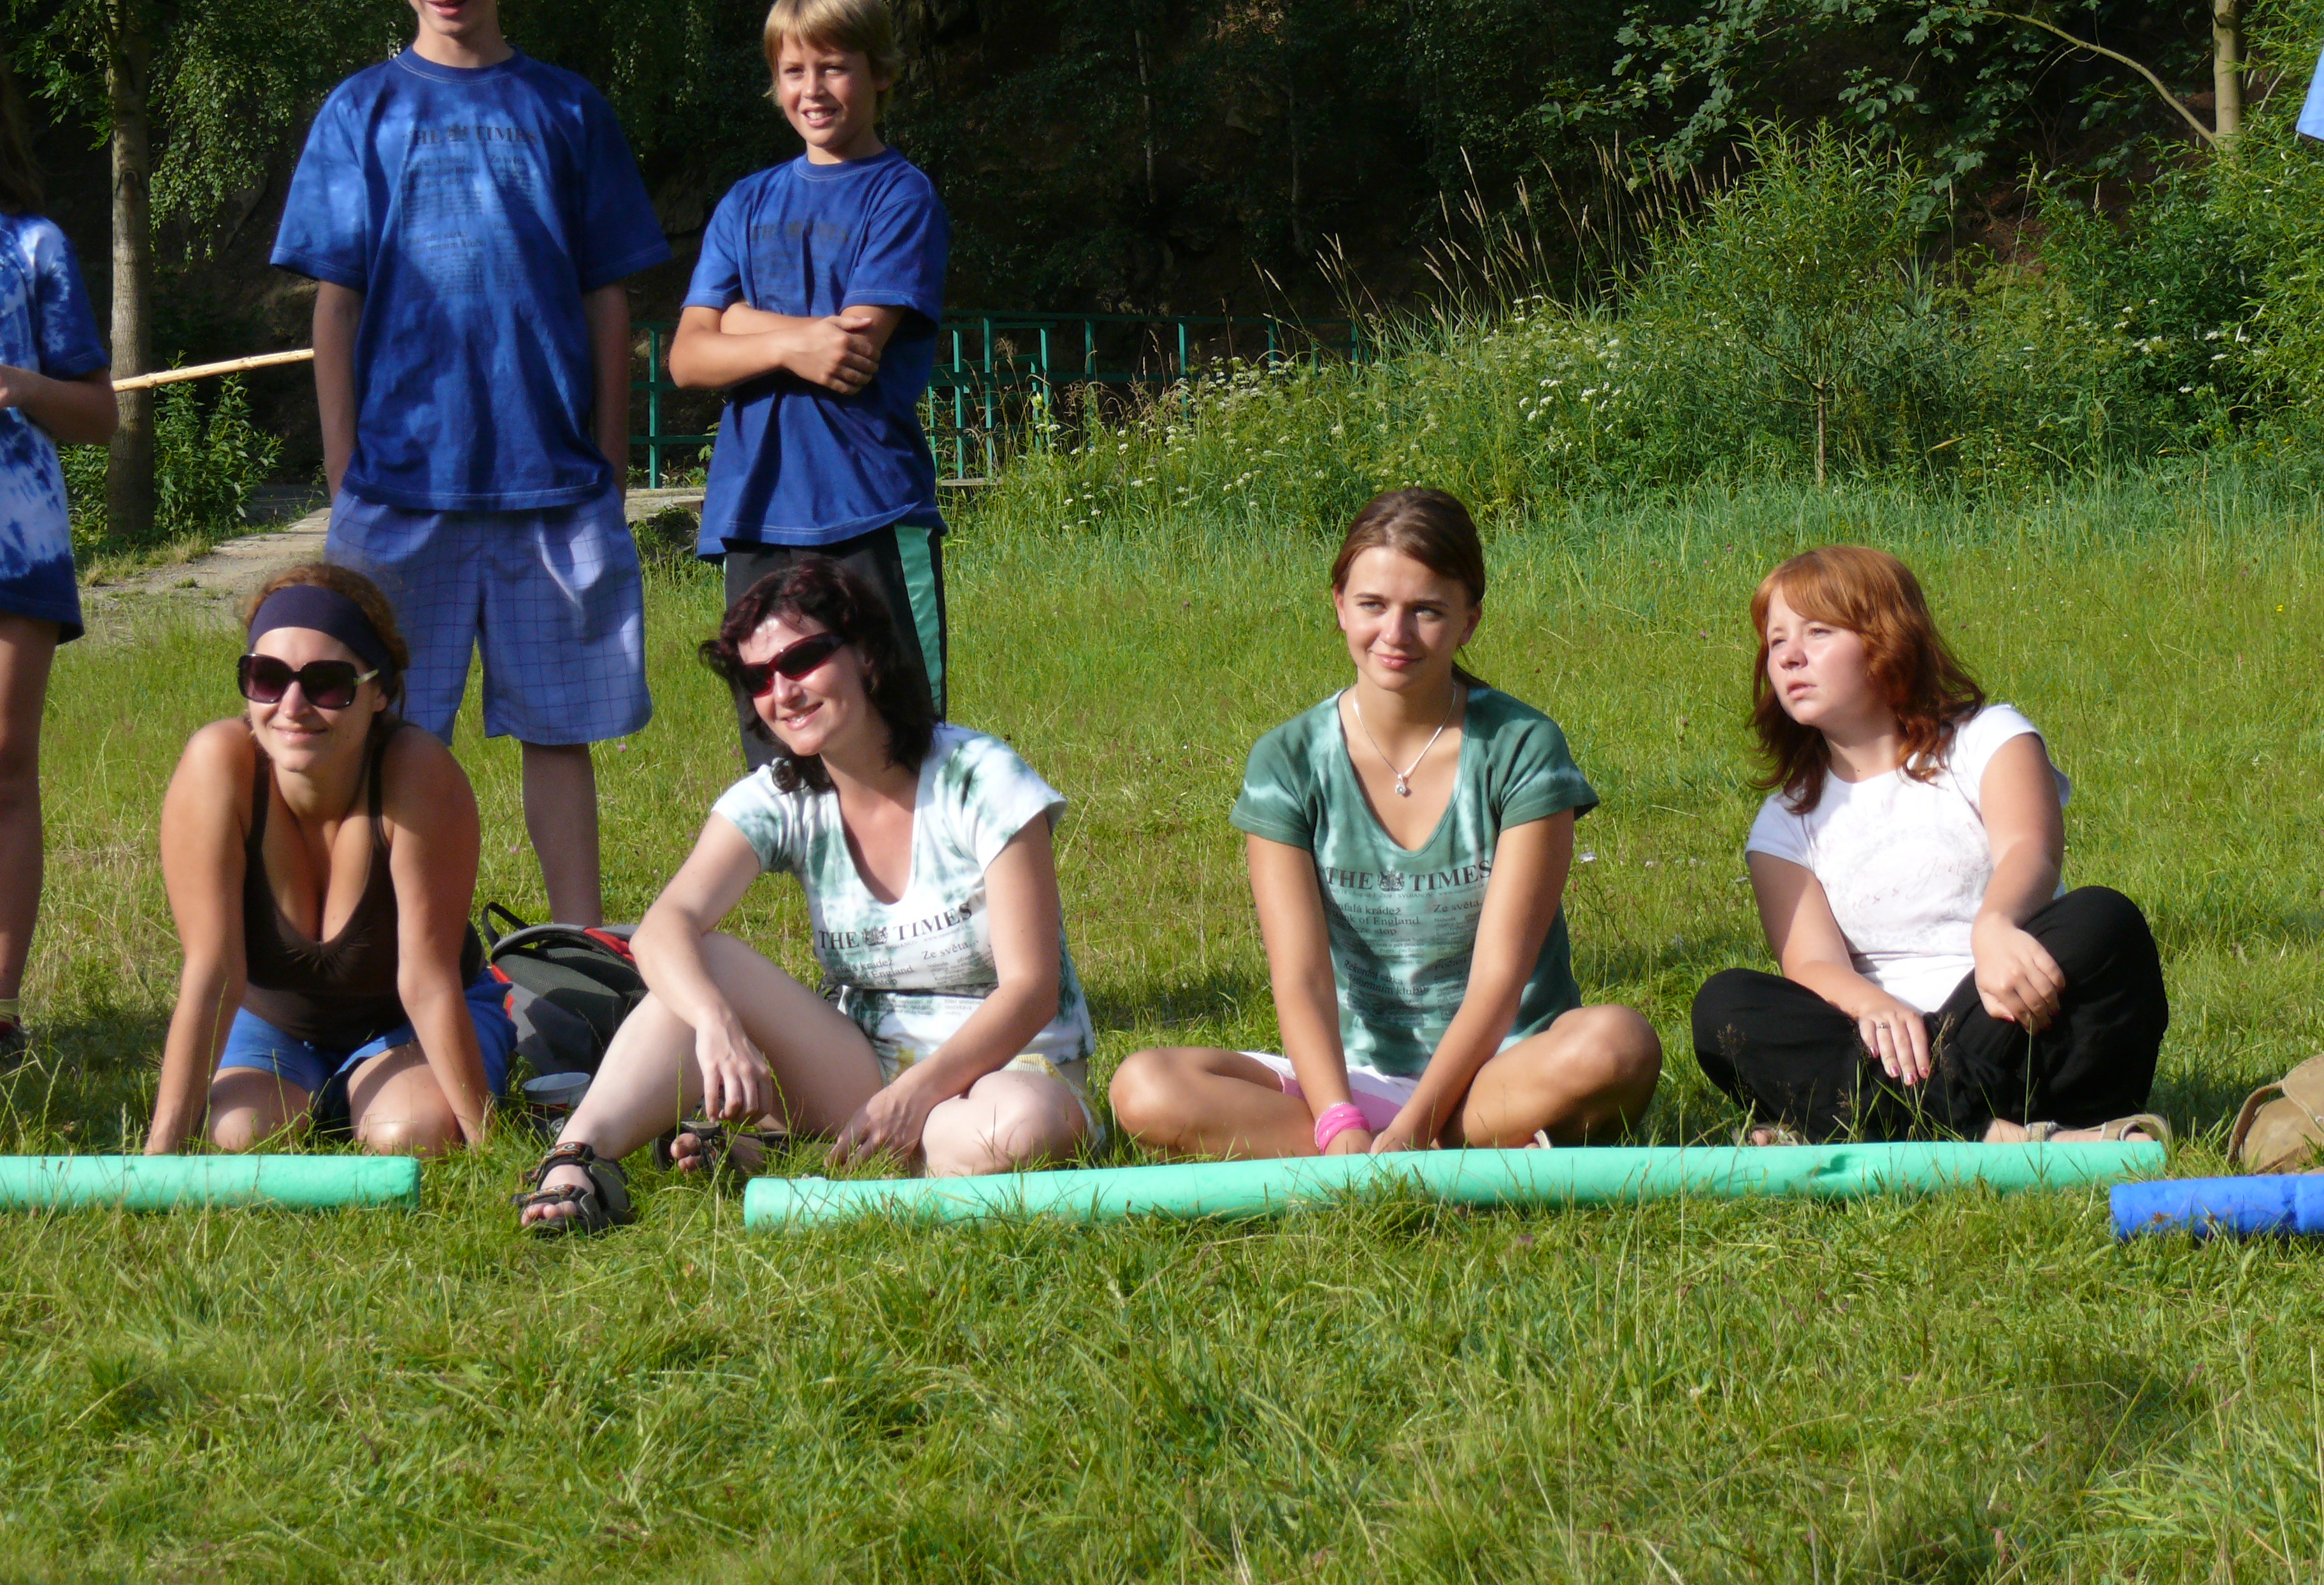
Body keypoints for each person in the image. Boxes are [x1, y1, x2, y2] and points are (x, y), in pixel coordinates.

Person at [269, 0, 671, 926]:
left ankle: (578, 947)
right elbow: (336, 305)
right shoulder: (361, 112)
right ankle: (383, 956)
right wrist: (343, 465)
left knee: (560, 732)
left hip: (554, 487)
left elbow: (608, 298)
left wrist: (610, 461)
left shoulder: (568, 108)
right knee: (385, 736)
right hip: (401, 490)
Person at [516, 557, 1093, 1235]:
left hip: (1007, 1070)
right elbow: (664, 927)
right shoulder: (784, 793)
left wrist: (917, 1095)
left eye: (802, 660)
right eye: (758, 678)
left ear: (866, 653)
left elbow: (1032, 991)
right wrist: (716, 1024)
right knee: (704, 964)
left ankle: (789, 1147)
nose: (782, 692)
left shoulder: (980, 779)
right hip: (859, 1067)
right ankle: (576, 1161)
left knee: (1019, 1130)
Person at [1108, 488, 1662, 1160]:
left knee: (1618, 1044)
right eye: (1373, 605)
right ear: (1339, 605)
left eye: (1426, 611)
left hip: (1504, 1069)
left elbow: (1500, 978)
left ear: (1469, 622)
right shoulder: (1287, 760)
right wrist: (1339, 1120)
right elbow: (1301, 978)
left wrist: (1414, 1127)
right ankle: (1426, 1150)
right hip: (1353, 1080)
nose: (1395, 635)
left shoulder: (1523, 748)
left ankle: (1410, 1147)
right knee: (1145, 1086)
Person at [1690, 544, 2170, 1145]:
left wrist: (1994, 927)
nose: (1789, 656)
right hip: (1889, 1049)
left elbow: (2030, 850)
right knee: (1725, 1005)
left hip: (2011, 1016)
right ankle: (1996, 1137)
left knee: (2104, 920)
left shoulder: (1989, 738)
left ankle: (1881, 1127)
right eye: (1776, 640)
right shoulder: (1784, 822)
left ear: (1885, 639)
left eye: (1817, 632)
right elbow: (1812, 964)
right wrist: (1871, 1006)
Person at [667, 0, 951, 762]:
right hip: (754, 509)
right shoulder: (746, 202)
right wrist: (792, 342)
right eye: (794, 70)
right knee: (779, 752)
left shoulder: (901, 197)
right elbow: (688, 356)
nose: (813, 89)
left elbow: (851, 349)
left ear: (880, 73)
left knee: (899, 741)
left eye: (834, 67)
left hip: (868, 506)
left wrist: (740, 322)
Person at [145, 566, 512, 1155]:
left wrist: (490, 1150)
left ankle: (371, 1096)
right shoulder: (219, 766)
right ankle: (332, 1094)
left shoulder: (415, 772)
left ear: (379, 693)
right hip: (275, 1028)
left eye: (328, 684)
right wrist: (160, 1155)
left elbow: (428, 980)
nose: (292, 706)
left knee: (408, 1135)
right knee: (240, 1137)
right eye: (267, 678)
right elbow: (212, 971)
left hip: (406, 1024)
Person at [0, 54, 115, 1059]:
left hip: (17, 546)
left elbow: (98, 415)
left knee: (3, 767)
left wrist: (18, 384)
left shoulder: (34, 246)